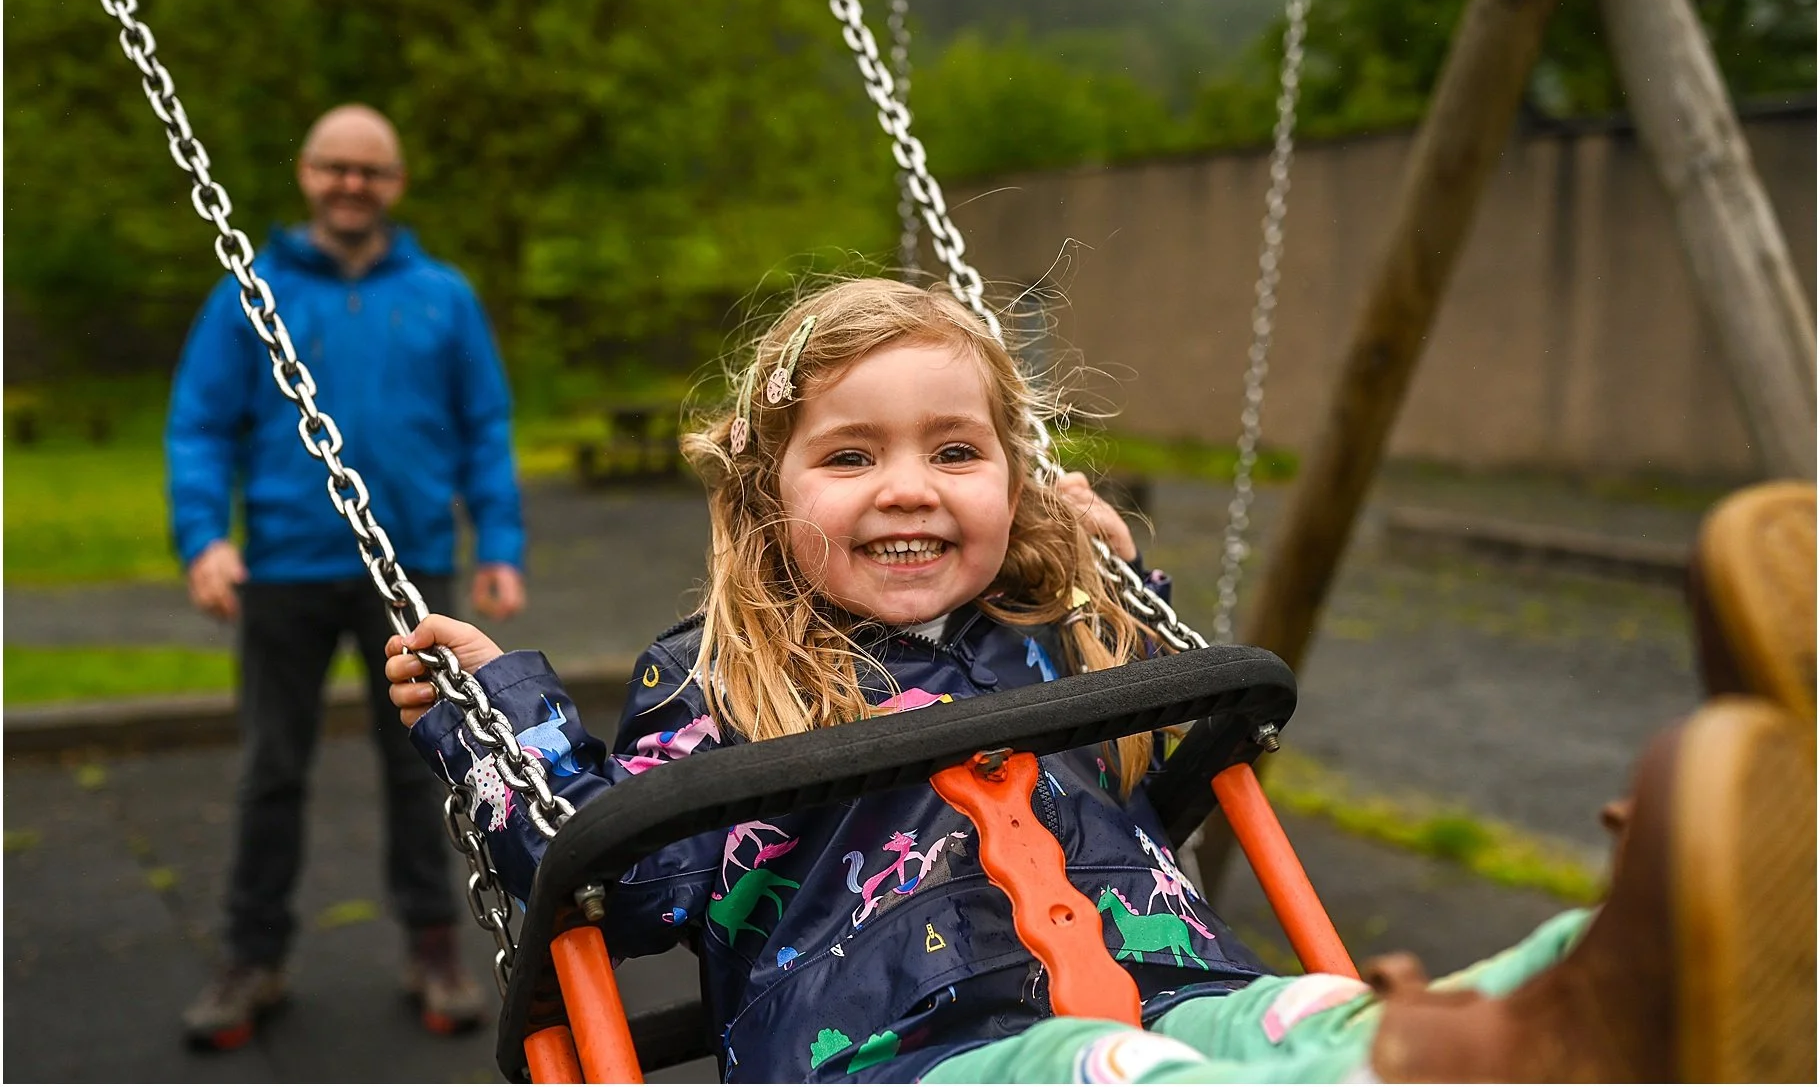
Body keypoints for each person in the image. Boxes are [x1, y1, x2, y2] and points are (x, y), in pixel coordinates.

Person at [385, 278, 1814, 1083]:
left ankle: (1631, 963)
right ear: (767, 498)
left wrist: (1107, 590)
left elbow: (1155, 740)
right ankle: (1493, 1056)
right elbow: (614, 885)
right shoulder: (716, 680)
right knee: (1121, 1078)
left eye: (957, 453)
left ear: (1017, 481)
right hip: (912, 1053)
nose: (910, 490)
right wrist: (495, 716)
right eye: (851, 455)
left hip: (1178, 987)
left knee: (1314, 1025)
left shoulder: (1054, 634)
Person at [168, 104, 527, 1048]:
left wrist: (500, 544)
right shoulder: (250, 291)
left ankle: (438, 946)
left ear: (395, 184)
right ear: (308, 175)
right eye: (335, 167)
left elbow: (485, 425)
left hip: (407, 570)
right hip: (285, 566)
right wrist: (204, 535)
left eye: (370, 170)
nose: (351, 184)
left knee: (428, 769)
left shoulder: (443, 296)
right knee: (270, 770)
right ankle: (253, 957)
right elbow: (200, 421)